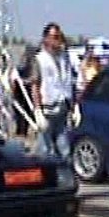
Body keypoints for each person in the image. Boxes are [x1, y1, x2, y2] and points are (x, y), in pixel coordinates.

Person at [31, 22, 76, 159]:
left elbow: (70, 82)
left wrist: (74, 107)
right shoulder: (40, 59)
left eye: (59, 36)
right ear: (46, 39)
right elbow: (35, 85)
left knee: (64, 148)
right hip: (48, 110)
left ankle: (64, 171)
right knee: (45, 150)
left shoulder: (65, 58)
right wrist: (37, 110)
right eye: (55, 37)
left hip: (63, 108)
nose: (58, 40)